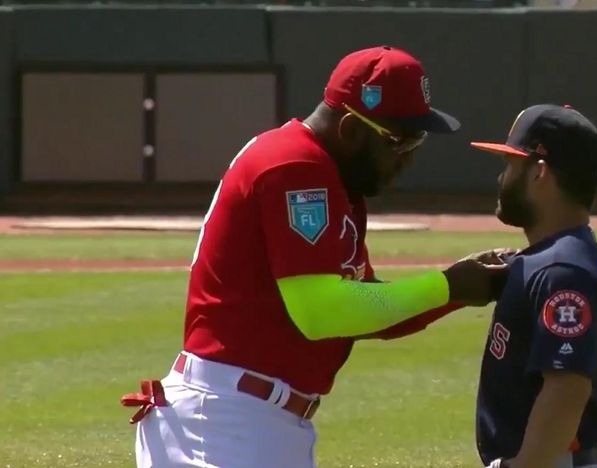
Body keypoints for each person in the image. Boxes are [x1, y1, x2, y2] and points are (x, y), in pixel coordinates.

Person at [120, 45, 507, 468]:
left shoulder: (330, 176)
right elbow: (322, 313)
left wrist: (464, 288)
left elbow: (365, 308)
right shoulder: (295, 165)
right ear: (351, 130)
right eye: (402, 139)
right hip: (226, 421)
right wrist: (450, 285)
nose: (410, 158)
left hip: (251, 418)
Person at [469, 104, 597, 468]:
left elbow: (567, 388)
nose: (501, 179)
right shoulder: (572, 257)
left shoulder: (562, 270)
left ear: (539, 172)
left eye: (511, 165)